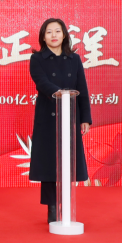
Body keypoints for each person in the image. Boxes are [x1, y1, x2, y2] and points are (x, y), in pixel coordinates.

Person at [28, 18, 91, 223]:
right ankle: (52, 208)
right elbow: (41, 82)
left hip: (70, 116)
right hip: (47, 116)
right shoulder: (37, 58)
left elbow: (82, 89)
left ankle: (66, 203)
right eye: (49, 32)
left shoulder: (74, 59)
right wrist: (60, 93)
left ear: (64, 35)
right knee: (49, 164)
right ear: (43, 37)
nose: (53, 35)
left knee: (68, 161)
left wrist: (85, 118)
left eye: (57, 31)